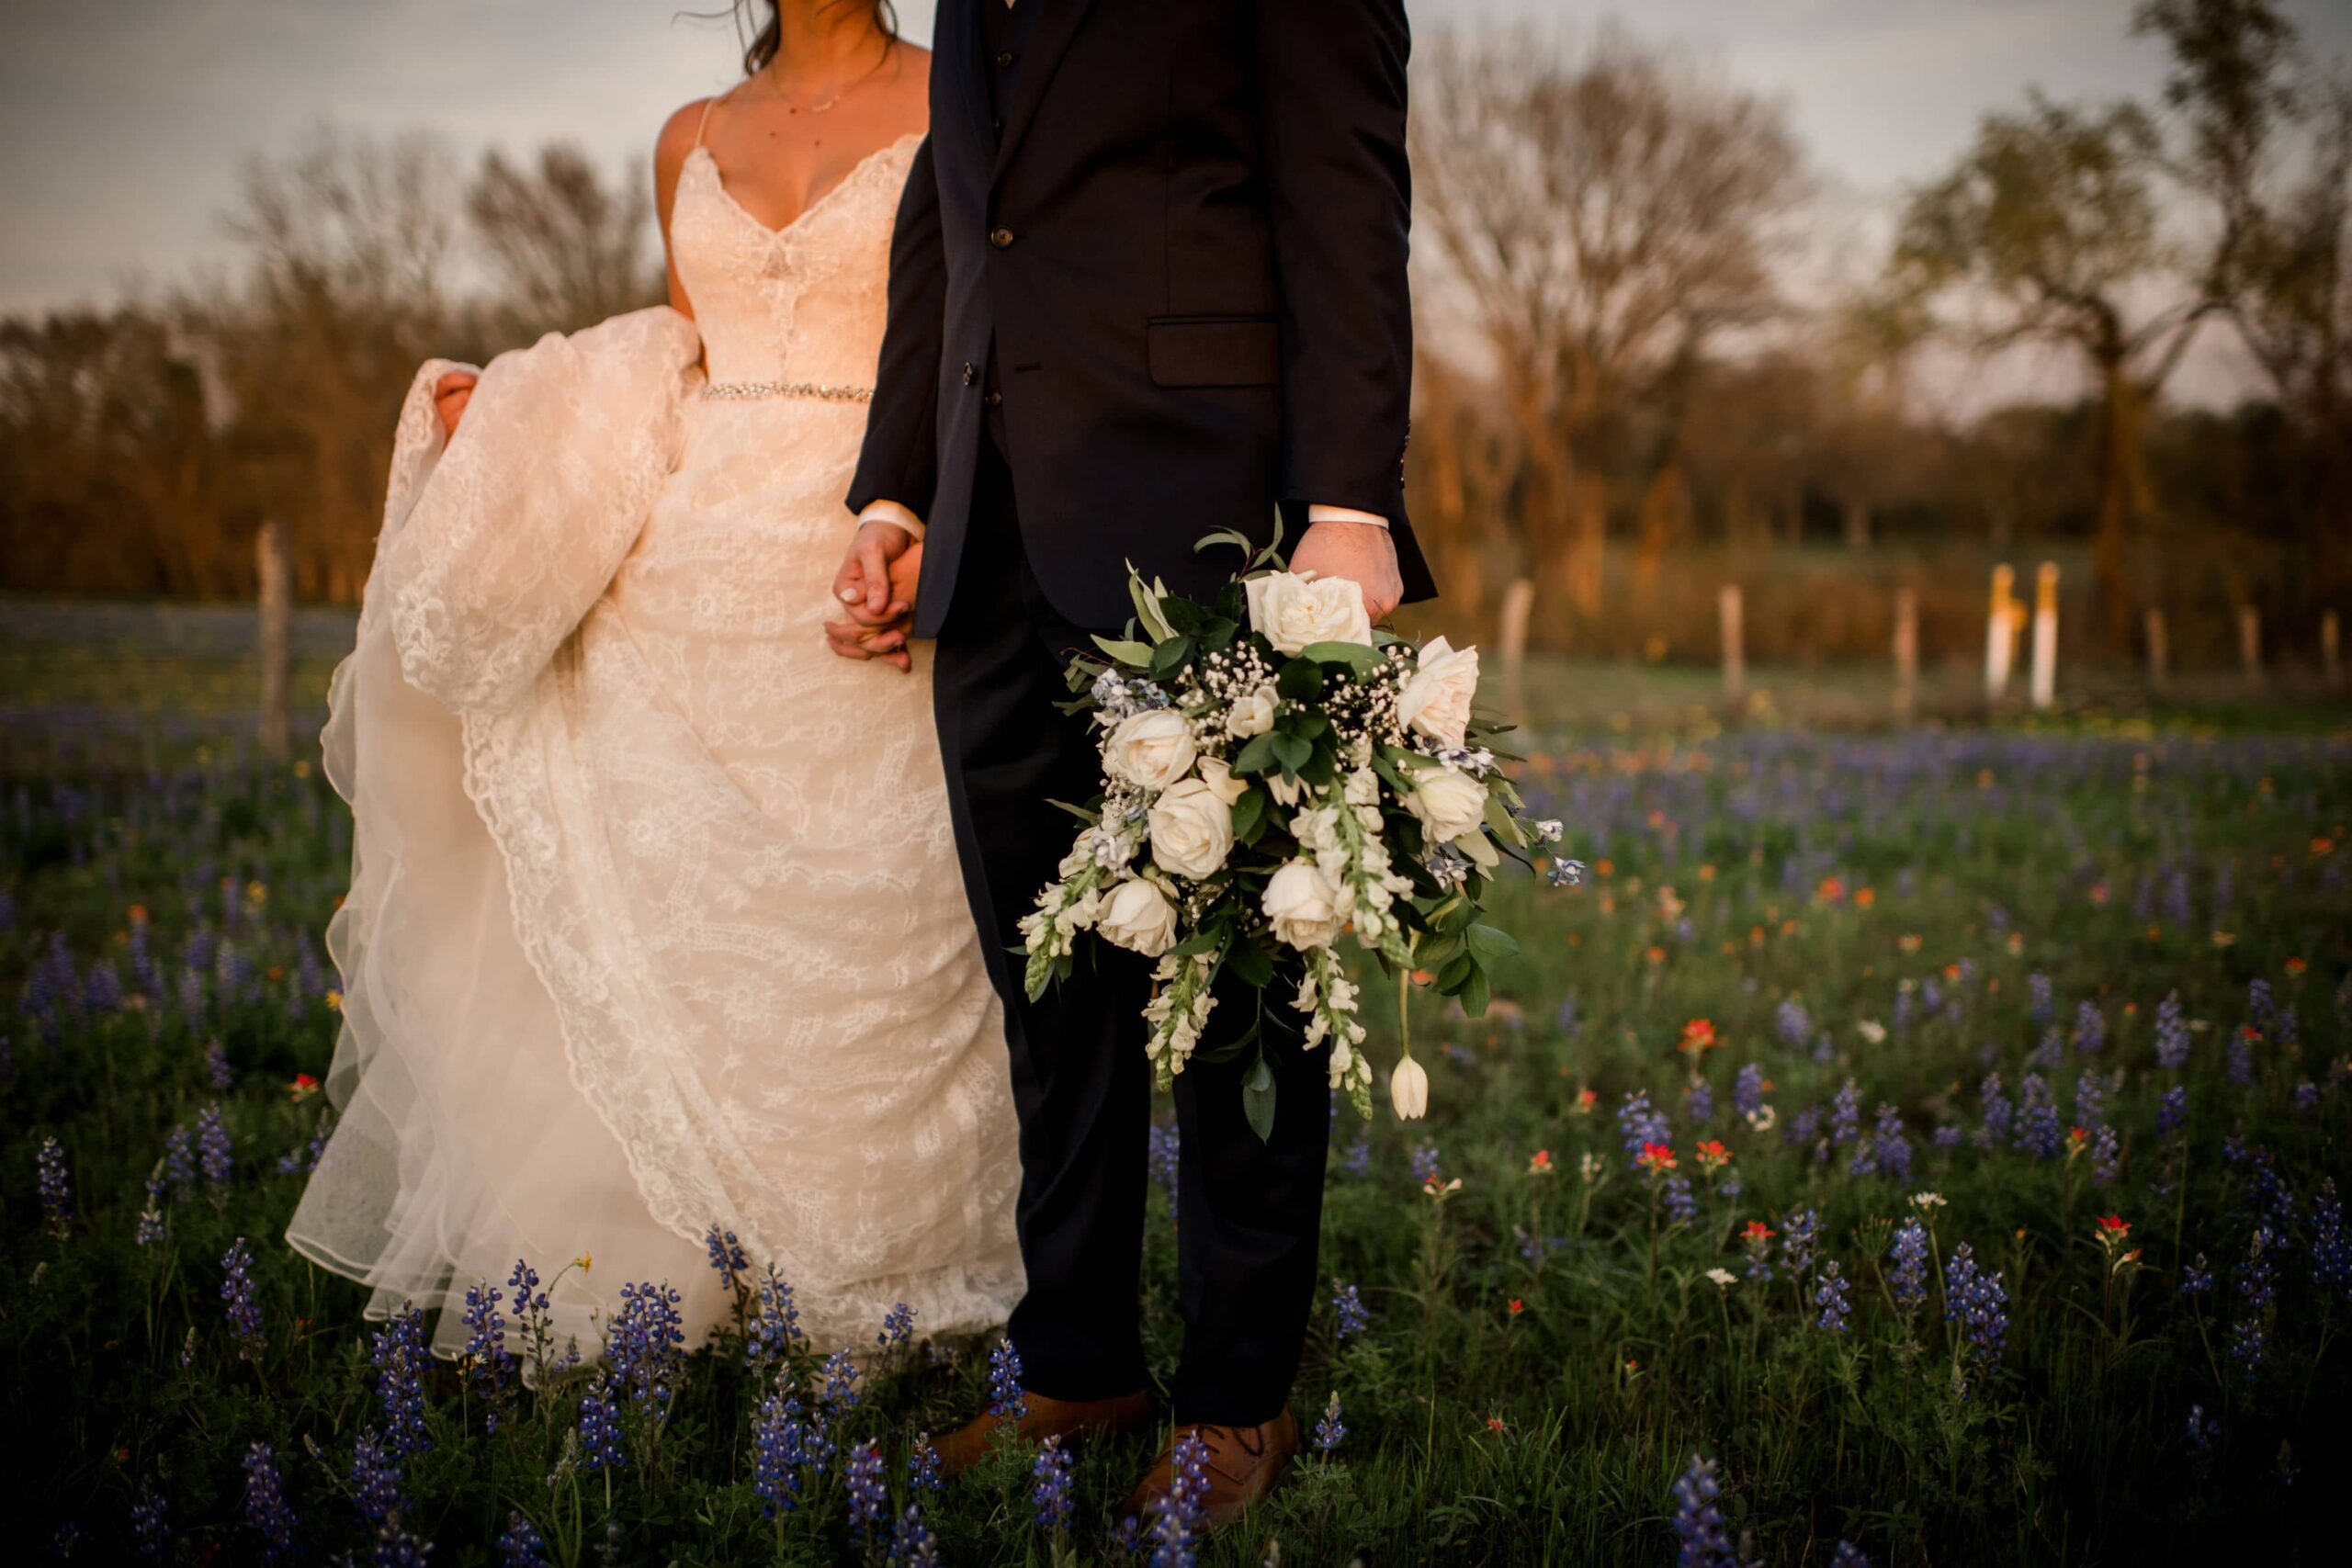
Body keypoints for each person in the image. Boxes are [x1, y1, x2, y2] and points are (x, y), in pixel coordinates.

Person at [286, 0, 1026, 1366]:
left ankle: (872, 1281)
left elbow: (982, 341)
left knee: (871, 912)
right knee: (670, 933)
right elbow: (677, 361)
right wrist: (509, 415)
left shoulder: (961, 96)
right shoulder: (688, 134)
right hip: (682, 578)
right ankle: (672, 1285)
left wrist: (931, 525)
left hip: (873, 548)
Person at [828, 0, 1431, 1526]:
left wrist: (1351, 497)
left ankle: (1237, 1401)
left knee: (1247, 996)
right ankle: (1078, 1368)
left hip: (1208, 526)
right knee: (1053, 1001)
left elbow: (1346, 190)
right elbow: (959, 223)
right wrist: (899, 494)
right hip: (994, 544)